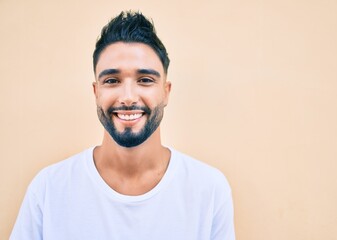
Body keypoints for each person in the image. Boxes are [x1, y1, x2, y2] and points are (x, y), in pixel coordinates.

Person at [10, 11, 235, 240]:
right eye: (112, 81)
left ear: (166, 92)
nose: (128, 97)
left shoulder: (209, 189)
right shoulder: (48, 190)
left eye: (145, 80)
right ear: (96, 92)